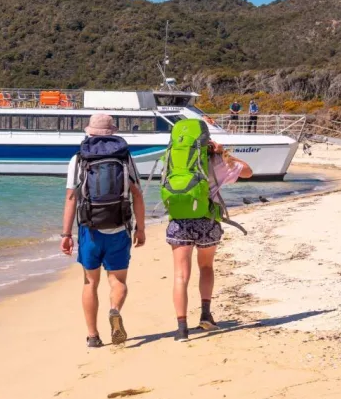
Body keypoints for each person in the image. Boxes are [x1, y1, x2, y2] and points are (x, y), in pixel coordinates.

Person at [60, 114, 146, 348]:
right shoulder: (125, 158)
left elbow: (71, 198)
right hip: (119, 228)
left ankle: (93, 336)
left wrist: (66, 234)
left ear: (89, 132)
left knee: (90, 282)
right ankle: (114, 310)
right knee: (118, 280)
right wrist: (141, 228)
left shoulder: (78, 159)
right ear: (112, 132)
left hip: (90, 230)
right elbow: (137, 195)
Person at [165, 134, 252, 342]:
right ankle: (205, 314)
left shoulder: (174, 162)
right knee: (206, 267)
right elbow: (248, 172)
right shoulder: (218, 162)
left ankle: (182, 329)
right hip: (207, 221)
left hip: (179, 222)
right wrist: (222, 153)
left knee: (180, 275)